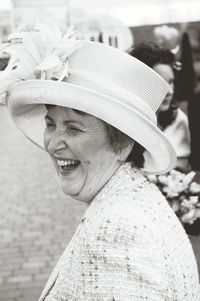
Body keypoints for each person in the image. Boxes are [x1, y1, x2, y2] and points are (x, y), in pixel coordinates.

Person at [1, 25, 200, 300]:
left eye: (73, 128)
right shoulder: (129, 196)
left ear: (122, 143)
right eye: (51, 124)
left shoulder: (118, 236)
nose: (53, 143)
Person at [130, 43, 191, 171]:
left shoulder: (179, 120)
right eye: (161, 83)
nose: (170, 91)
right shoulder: (125, 124)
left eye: (171, 82)